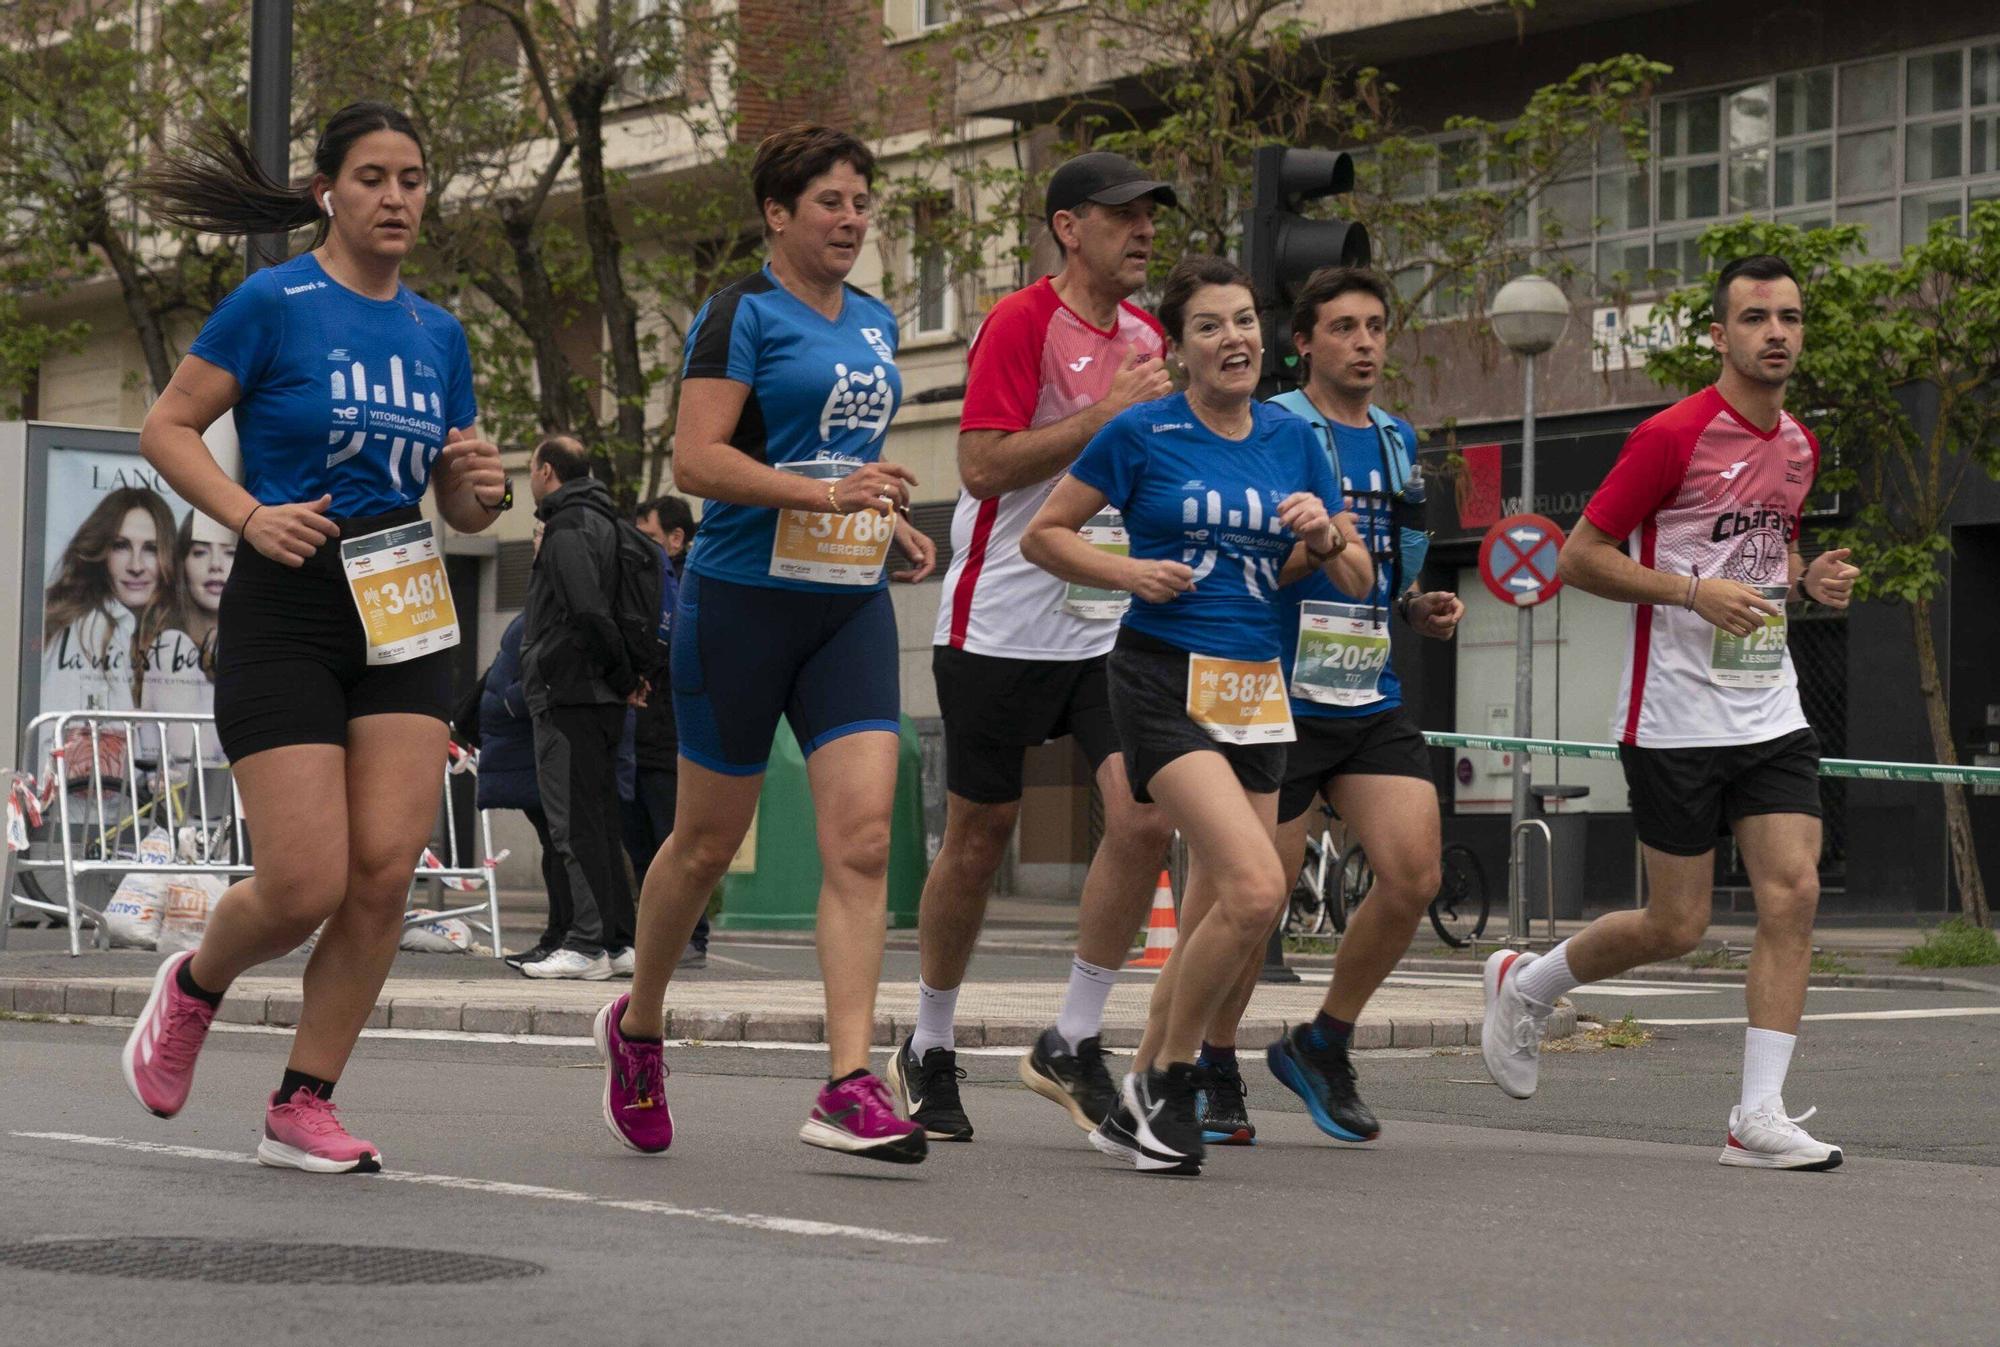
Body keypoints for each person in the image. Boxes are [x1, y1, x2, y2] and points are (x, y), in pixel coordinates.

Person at [125, 101, 507, 1173]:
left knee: (384, 875)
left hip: (403, 608)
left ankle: (303, 1101)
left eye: (414, 179)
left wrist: (477, 490)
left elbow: (464, 504)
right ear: (327, 192)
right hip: (287, 600)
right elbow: (167, 426)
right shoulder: (274, 303)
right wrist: (247, 514)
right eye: (375, 177)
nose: (396, 198)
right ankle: (194, 984)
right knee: (305, 883)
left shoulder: (439, 332)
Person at [594, 124, 937, 1164]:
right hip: (739, 602)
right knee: (703, 844)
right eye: (829, 201)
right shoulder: (738, 312)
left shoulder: (875, 322)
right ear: (777, 215)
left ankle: (847, 1080)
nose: (850, 219)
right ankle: (639, 1023)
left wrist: (880, 517)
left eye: (860, 202)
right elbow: (696, 462)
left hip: (844, 603)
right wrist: (821, 491)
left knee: (866, 838)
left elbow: (844, 460)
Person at [1489, 253, 1860, 1170]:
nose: (1777, 332)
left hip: (1767, 705)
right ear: (1719, 335)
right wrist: (1692, 594)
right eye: (1756, 317)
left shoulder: (1800, 446)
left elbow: (1762, 567)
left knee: (1795, 892)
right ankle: (1527, 984)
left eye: (1791, 317)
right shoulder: (1671, 435)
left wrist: (1806, 582)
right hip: (1673, 715)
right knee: (1677, 924)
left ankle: (1756, 1116)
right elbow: (1579, 557)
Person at [1021, 255, 1369, 1176]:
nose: (1235, 339)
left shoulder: (1295, 440)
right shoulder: (1143, 432)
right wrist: (1129, 571)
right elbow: (1042, 533)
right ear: (1177, 350)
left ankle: (1137, 1083)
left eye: (1246, 321)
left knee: (1234, 908)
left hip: (1256, 684)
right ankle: (1170, 1080)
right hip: (1159, 676)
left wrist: (1325, 535)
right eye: (1210, 326)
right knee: (1257, 888)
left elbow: (1358, 577)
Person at [889, 151, 1180, 1143]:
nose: (1142, 231)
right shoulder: (1021, 323)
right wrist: (1104, 416)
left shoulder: (1150, 337)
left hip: (1107, 625)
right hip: (1002, 623)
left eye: (1151, 217)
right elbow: (978, 465)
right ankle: (928, 1040)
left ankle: (1073, 1037)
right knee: (979, 836)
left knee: (1142, 816)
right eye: (1122, 215)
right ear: (1067, 226)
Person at [1194, 267, 1464, 1147]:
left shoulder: (1395, 440)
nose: (1365, 343)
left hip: (1367, 686)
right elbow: (1248, 559)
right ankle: (1213, 1059)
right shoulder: (1273, 429)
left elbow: (1396, 565)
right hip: (1275, 688)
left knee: (1415, 871)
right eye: (1343, 327)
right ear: (1303, 343)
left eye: (1376, 326)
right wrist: (1315, 546)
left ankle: (1323, 1039)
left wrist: (1416, 604)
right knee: (1257, 894)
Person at [515, 435, 642, 981]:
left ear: (546, 471)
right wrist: (628, 677)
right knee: (601, 818)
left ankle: (586, 943)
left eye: (530, 471)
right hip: (604, 696)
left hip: (569, 690)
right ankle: (616, 942)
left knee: (572, 822)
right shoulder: (611, 522)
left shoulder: (566, 526)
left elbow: (587, 610)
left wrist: (615, 671)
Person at [623, 495, 703, 969]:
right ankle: (654, 935)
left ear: (676, 539)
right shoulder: (645, 584)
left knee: (674, 840)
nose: (643, 549)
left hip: (671, 736)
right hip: (639, 736)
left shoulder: (692, 587)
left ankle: (693, 937)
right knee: (639, 844)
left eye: (650, 539)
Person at [41, 487, 180, 715]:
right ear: (101, 553)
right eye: (121, 546)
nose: (136, 566)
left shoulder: (146, 632)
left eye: (151, 549)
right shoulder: (92, 628)